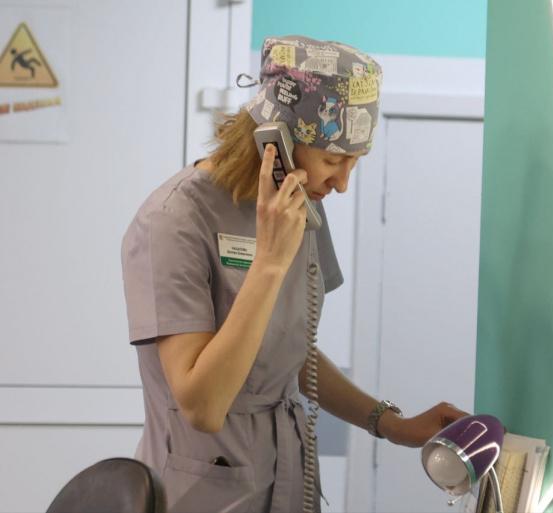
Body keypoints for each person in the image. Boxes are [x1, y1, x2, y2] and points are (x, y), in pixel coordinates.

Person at [120, 35, 468, 513]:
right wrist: (269, 262)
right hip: (202, 490)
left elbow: (289, 352)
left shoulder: (300, 209)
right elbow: (203, 406)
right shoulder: (173, 220)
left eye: (354, 164)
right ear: (275, 143)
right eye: (332, 160)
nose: (341, 184)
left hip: (286, 480)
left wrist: (390, 425)